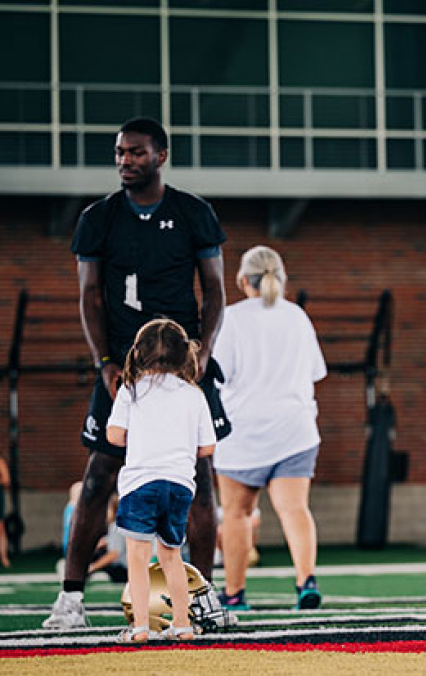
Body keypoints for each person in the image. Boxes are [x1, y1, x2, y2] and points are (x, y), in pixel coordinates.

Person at [44, 117, 230, 630]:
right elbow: (89, 296)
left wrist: (204, 352)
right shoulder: (98, 218)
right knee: (100, 474)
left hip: (184, 366)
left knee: (201, 478)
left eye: (136, 152)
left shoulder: (193, 213)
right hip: (124, 367)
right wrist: (105, 361)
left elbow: (215, 289)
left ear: (161, 156)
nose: (125, 160)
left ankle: (201, 599)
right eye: (120, 152)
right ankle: (70, 600)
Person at [213, 245, 327, 611]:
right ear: (281, 278)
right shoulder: (296, 316)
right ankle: (306, 581)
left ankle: (234, 594)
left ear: (242, 280)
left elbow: (221, 375)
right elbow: (315, 372)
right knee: (295, 509)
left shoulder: (230, 318)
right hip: (294, 429)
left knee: (236, 514)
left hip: (242, 432)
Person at [107, 318, 217, 642]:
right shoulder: (194, 394)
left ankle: (140, 627)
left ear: (137, 353)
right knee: (172, 556)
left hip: (140, 483)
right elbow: (208, 446)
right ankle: (182, 624)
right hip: (180, 485)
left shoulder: (131, 391)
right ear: (185, 354)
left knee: (138, 558)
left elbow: (114, 435)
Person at [87, 494, 128, 583]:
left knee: (98, 556)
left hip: (123, 570)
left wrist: (92, 567)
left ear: (114, 510)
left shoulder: (115, 527)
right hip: (127, 568)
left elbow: (114, 554)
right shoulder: (123, 524)